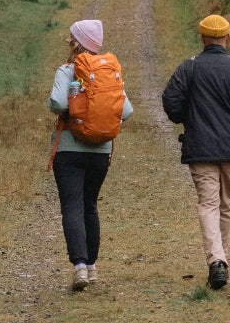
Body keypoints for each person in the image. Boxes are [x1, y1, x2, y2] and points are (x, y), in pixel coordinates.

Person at [161, 14, 230, 290]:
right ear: (227, 37)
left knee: (209, 204)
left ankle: (217, 262)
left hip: (201, 149)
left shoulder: (190, 68)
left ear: (202, 37)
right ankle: (218, 260)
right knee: (225, 204)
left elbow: (170, 100)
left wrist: (187, 118)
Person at [46, 18, 132, 290]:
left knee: (72, 205)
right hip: (100, 151)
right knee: (90, 205)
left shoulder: (67, 70)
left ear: (77, 42)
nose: (66, 41)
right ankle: (92, 268)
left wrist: (70, 109)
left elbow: (58, 102)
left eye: (70, 37)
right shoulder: (109, 72)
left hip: (69, 148)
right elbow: (126, 111)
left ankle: (79, 267)